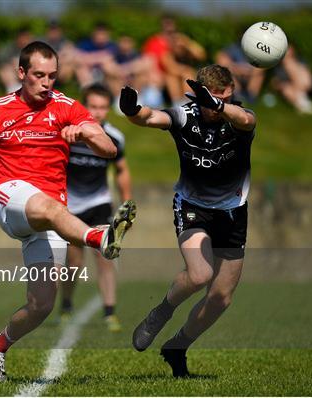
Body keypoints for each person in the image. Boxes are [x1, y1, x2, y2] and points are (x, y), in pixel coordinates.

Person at [0, 41, 136, 383]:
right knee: (47, 205)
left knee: (41, 305)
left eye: (53, 75)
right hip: (10, 198)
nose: (47, 82)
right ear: (21, 73)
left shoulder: (66, 106)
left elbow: (108, 147)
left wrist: (86, 135)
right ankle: (100, 236)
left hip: (50, 214)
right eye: (39, 75)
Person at [119, 64, 256, 378]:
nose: (223, 104)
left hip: (233, 211)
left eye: (227, 98)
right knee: (199, 274)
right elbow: (153, 117)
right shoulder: (186, 115)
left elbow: (249, 120)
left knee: (221, 297)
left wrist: (221, 106)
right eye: (215, 98)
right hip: (193, 206)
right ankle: (161, 312)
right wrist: (131, 111)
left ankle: (177, 346)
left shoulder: (237, 117)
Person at [60, 84, 132, 332]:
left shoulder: (115, 137)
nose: (98, 112)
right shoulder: (68, 134)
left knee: (105, 257)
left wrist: (126, 201)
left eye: (103, 107)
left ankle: (109, 312)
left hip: (99, 202)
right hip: (69, 205)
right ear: (83, 107)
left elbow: (121, 170)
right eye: (93, 107)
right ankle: (66, 304)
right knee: (74, 262)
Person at [142, 15, 207, 106]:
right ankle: (179, 103)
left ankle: (188, 101)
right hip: (164, 76)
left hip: (182, 75)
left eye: (173, 32)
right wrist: (184, 70)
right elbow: (170, 66)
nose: (170, 35)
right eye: (168, 31)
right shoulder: (164, 49)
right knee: (174, 76)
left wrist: (187, 43)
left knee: (186, 75)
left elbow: (201, 55)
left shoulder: (183, 43)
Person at [271, 45, 312, 114]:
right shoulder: (279, 67)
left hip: (304, 86)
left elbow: (307, 77)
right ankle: (301, 102)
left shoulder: (299, 61)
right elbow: (276, 82)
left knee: (289, 63)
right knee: (286, 89)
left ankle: (302, 101)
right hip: (291, 88)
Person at [0, 26, 34, 93]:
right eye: (23, 37)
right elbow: (1, 60)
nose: (25, 40)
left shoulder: (36, 49)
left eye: (27, 37)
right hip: (14, 74)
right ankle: (13, 90)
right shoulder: (10, 49)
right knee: (4, 69)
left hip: (30, 73)